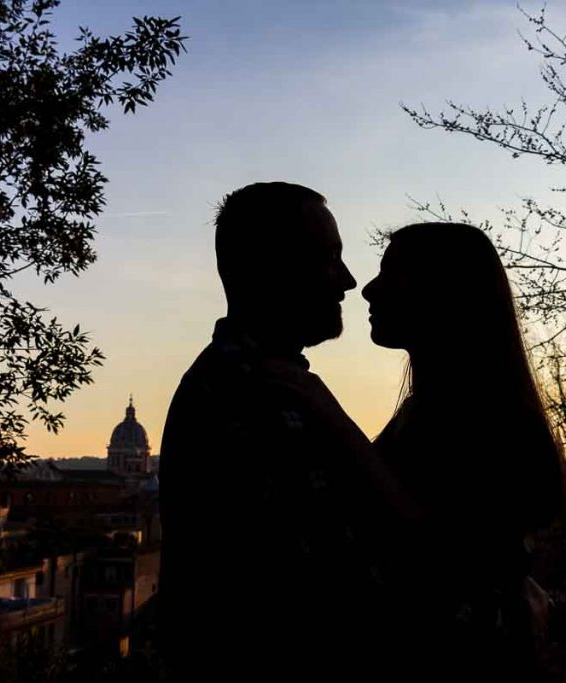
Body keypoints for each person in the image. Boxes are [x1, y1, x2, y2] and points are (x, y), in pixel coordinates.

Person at [158, 182, 415, 676]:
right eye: (325, 256)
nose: (346, 279)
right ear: (264, 268)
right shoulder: (255, 394)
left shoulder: (268, 384)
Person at [362, 222, 566, 676]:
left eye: (393, 273)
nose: (369, 289)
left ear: (446, 291)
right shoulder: (456, 413)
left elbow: (430, 548)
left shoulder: (471, 420)